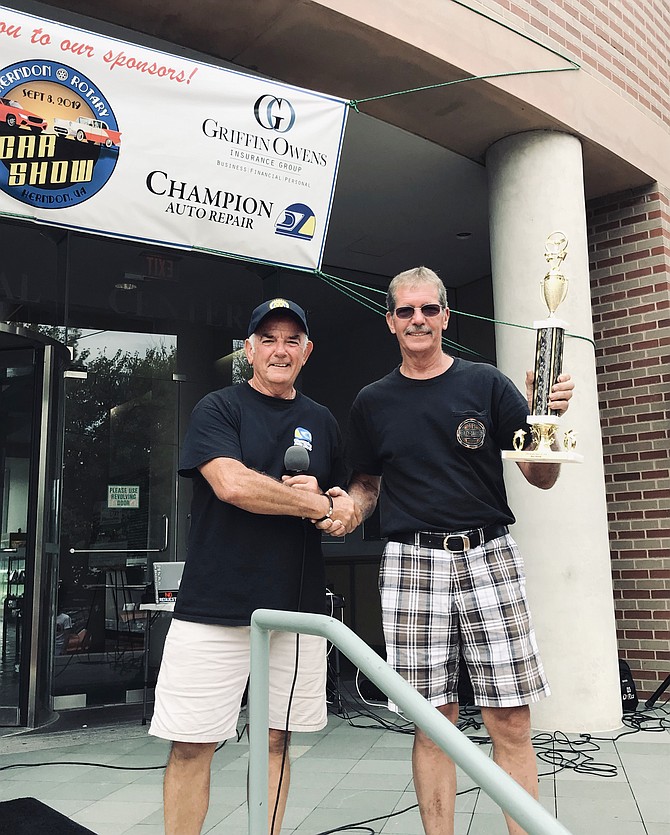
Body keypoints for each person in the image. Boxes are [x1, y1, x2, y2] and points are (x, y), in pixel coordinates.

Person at [323, 266, 574, 835]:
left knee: (509, 720)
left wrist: (549, 419)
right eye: (406, 311)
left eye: (428, 309)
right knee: (432, 721)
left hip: (489, 556)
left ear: (445, 316)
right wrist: (349, 511)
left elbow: (541, 476)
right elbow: (367, 485)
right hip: (411, 562)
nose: (418, 319)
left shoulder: (486, 384)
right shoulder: (372, 401)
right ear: (390, 321)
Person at [149, 297, 358, 835]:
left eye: (292, 340)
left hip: (294, 610)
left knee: (276, 741)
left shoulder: (322, 421)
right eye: (268, 339)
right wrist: (313, 505)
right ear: (249, 349)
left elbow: (343, 500)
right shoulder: (217, 408)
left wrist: (335, 507)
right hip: (213, 607)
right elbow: (233, 484)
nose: (280, 350)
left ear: (307, 351)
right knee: (193, 742)